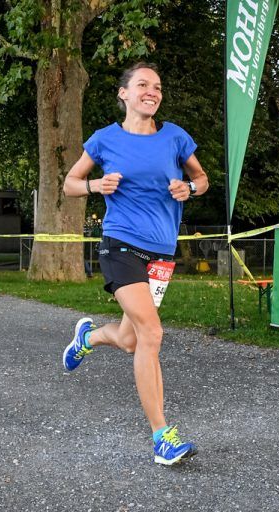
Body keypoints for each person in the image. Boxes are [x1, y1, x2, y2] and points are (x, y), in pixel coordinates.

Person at [61, 62, 209, 465]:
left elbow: (202, 179)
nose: (152, 91)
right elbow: (70, 184)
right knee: (151, 333)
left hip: (161, 251)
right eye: (142, 84)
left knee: (130, 341)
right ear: (123, 93)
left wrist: (189, 187)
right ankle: (162, 437)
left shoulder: (175, 136)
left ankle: (88, 338)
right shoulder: (104, 139)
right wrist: (95, 185)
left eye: (157, 86)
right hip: (121, 244)